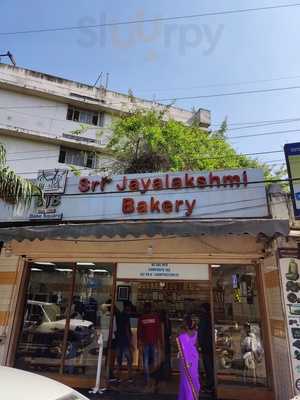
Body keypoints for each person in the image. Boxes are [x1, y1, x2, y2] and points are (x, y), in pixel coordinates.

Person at [137, 302, 162, 388]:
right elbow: (159, 331)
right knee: (154, 362)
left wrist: (139, 343)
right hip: (153, 343)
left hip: (146, 343)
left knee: (147, 362)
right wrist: (160, 343)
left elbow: (139, 332)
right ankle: (153, 380)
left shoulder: (142, 318)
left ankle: (148, 381)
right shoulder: (155, 317)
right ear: (151, 308)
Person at [177, 315, 201, 400]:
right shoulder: (196, 334)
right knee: (194, 377)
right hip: (194, 358)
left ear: (186, 325)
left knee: (185, 379)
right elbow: (196, 346)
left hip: (184, 359)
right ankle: (194, 397)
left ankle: (186, 397)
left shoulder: (181, 335)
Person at [115, 301, 134, 382]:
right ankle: (129, 377)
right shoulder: (126, 316)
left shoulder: (119, 315)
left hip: (118, 339)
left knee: (119, 359)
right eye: (130, 307)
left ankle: (118, 377)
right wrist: (130, 342)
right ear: (127, 307)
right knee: (129, 359)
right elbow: (126, 329)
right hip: (125, 340)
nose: (130, 309)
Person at [198, 303, 214, 392]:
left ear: (203, 309)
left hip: (205, 345)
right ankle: (211, 383)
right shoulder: (209, 316)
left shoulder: (203, 318)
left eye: (201, 308)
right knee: (210, 364)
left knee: (208, 365)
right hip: (209, 344)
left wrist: (200, 345)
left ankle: (210, 384)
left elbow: (201, 332)